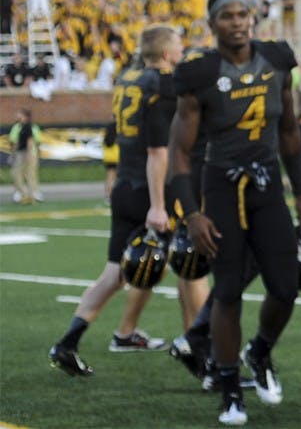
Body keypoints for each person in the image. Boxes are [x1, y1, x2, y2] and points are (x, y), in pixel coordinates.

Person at [168, 0, 301, 426]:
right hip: (223, 187)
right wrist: (192, 213)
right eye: (228, 16)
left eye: (243, 14)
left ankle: (260, 350)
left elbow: (288, 128)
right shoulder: (199, 74)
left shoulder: (276, 60)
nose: (238, 22)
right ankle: (230, 387)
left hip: (267, 184)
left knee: (286, 286)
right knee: (228, 290)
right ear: (212, 25)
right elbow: (180, 151)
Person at [48, 25, 186, 376]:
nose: (182, 53)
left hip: (124, 185)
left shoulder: (128, 77)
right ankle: (202, 349)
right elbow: (158, 152)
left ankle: (68, 342)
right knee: (188, 266)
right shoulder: (162, 84)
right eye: (179, 48)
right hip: (146, 189)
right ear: (168, 54)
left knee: (113, 274)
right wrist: (158, 205)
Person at [9, 107, 42, 204]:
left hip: (29, 153)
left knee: (31, 173)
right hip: (20, 153)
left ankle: (34, 193)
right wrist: (13, 154)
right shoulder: (17, 127)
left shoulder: (31, 127)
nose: (17, 116)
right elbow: (14, 142)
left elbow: (33, 141)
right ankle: (21, 193)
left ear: (25, 116)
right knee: (17, 173)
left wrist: (30, 153)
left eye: (19, 114)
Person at [101, 119, 118, 206]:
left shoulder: (107, 135)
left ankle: (107, 196)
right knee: (114, 178)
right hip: (116, 157)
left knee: (109, 177)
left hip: (108, 158)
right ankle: (112, 196)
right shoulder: (117, 129)